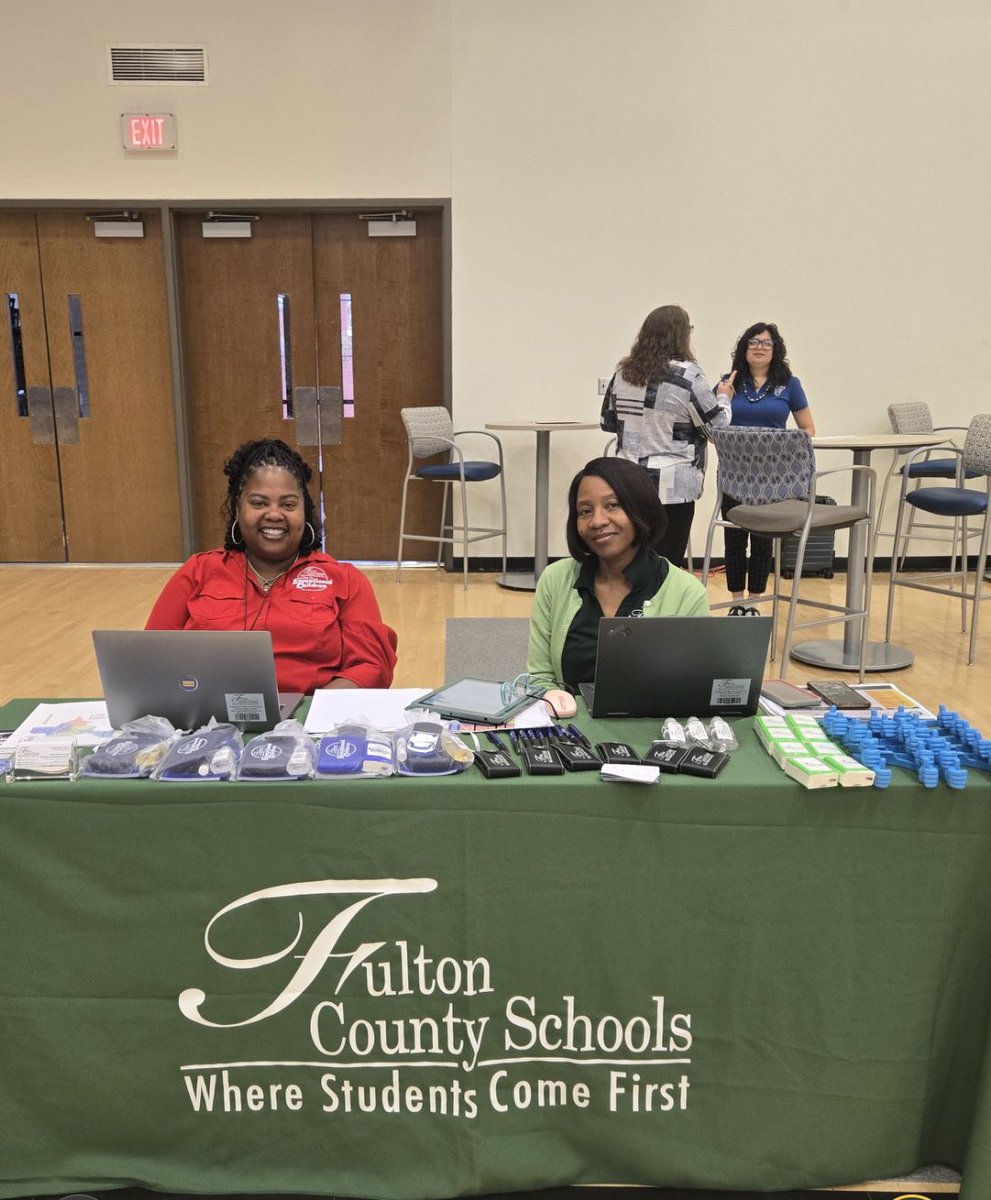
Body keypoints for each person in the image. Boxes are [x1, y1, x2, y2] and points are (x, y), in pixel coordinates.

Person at [146, 438, 397, 693]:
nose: (275, 514)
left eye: (288, 504)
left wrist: (313, 711)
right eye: (259, 503)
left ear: (305, 511)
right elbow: (149, 657)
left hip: (306, 721)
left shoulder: (344, 580)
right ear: (237, 508)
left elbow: (371, 666)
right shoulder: (198, 571)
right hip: (207, 719)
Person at [527, 457, 710, 690]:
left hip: (652, 724)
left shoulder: (686, 592)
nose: (597, 521)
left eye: (612, 505)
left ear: (640, 508)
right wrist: (556, 703)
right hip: (570, 722)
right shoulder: (555, 579)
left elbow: (690, 685)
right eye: (585, 511)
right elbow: (541, 677)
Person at [600, 304, 731, 566]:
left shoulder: (623, 373)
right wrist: (724, 398)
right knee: (664, 566)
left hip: (628, 482)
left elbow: (608, 422)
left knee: (630, 561)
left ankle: (628, 608)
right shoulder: (688, 376)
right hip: (673, 486)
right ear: (681, 335)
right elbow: (718, 430)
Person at [717, 322, 816, 616]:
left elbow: (808, 429)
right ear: (744, 348)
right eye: (753, 342)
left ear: (776, 350)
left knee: (762, 541)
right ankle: (736, 602)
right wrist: (722, 394)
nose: (760, 347)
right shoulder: (728, 382)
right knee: (734, 537)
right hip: (735, 474)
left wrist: (772, 443)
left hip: (773, 478)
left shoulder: (790, 384)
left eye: (767, 343)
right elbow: (715, 427)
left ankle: (756, 603)